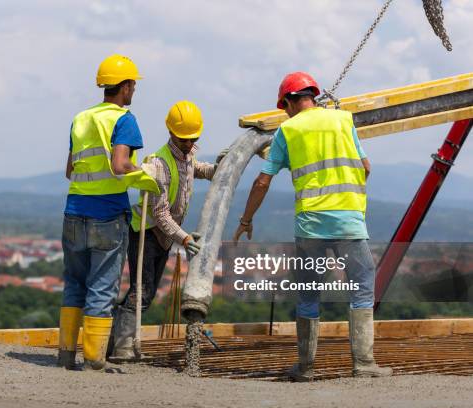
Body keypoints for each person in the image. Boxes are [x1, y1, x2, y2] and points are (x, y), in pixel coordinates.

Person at [233, 72, 392, 381]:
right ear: (313, 95)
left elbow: (262, 180)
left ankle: (305, 367)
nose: (286, 112)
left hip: (311, 225)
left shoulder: (287, 131)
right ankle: (364, 364)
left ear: (291, 101)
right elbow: (366, 167)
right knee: (360, 289)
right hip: (349, 221)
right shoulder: (344, 120)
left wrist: (246, 220)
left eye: (285, 106)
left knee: (308, 294)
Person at [58, 54, 158, 371]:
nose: (133, 91)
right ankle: (94, 360)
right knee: (102, 285)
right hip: (108, 216)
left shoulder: (81, 118)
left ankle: (64, 355)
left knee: (74, 283)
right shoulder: (123, 119)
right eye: (133, 85)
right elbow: (119, 165)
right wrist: (147, 177)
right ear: (126, 86)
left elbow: (69, 169)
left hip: (74, 211)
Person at [109, 100, 226, 361]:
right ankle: (122, 347)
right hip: (147, 233)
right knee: (143, 292)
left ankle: (111, 342)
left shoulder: (187, 155)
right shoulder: (160, 164)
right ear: (172, 133)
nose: (189, 143)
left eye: (193, 139)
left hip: (162, 236)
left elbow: (197, 169)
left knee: (143, 292)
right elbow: (160, 214)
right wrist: (183, 237)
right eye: (185, 139)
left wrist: (221, 168)